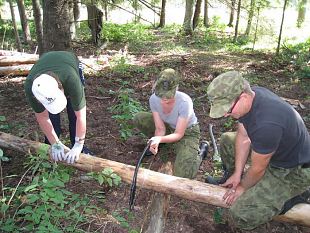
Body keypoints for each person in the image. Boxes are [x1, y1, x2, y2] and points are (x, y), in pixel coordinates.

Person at [206, 71, 310, 230]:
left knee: (241, 213)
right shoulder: (252, 94)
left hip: (294, 170)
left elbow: (258, 169)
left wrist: (241, 188)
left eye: (228, 109)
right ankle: (231, 179)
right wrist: (237, 174)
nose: (226, 114)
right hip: (275, 152)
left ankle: (291, 197)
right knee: (228, 139)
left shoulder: (267, 124)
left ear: (243, 97)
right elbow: (243, 135)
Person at [133, 68, 207, 179]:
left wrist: (160, 139)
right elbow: (160, 128)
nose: (163, 99)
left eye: (167, 95)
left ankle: (200, 153)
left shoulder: (184, 102)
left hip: (187, 133)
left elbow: (179, 134)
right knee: (139, 118)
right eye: (161, 95)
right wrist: (157, 140)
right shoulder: (153, 99)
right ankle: (165, 146)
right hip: (169, 128)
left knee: (184, 174)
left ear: (176, 88)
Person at [24, 51, 93, 164]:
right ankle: (50, 146)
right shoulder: (32, 88)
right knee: (51, 117)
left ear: (60, 87)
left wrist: (78, 144)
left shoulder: (71, 79)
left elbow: (81, 116)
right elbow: (43, 118)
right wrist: (55, 143)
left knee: (73, 111)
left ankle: (78, 146)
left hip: (69, 61)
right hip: (46, 61)